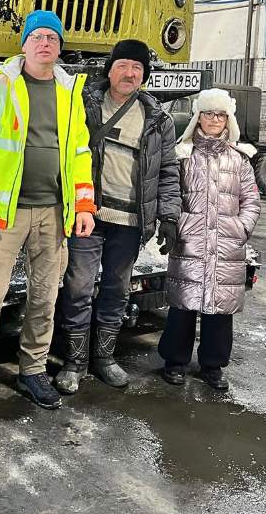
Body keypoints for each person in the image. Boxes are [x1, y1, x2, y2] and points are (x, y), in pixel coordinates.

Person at [0, 10, 97, 439]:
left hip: (54, 214)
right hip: (2, 217)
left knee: (45, 300)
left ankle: (32, 371)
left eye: (52, 37)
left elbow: (80, 154)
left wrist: (83, 205)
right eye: (37, 37)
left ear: (60, 46)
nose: (45, 43)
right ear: (25, 44)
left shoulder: (70, 92)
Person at [54, 40, 181, 394]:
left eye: (137, 68)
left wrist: (168, 216)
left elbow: (168, 171)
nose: (129, 73)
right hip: (88, 215)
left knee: (116, 289)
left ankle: (104, 359)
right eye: (123, 65)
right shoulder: (84, 105)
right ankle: (74, 363)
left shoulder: (158, 120)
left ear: (144, 76)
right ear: (109, 70)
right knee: (78, 287)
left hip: (130, 222)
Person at [158, 88, 261, 390]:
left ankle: (213, 365)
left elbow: (251, 201)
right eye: (208, 113)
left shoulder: (240, 160)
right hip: (190, 242)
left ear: (227, 119)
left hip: (228, 244)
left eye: (219, 114)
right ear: (198, 117)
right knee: (183, 305)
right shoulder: (182, 156)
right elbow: (171, 194)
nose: (214, 119)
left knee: (221, 309)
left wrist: (241, 229)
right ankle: (174, 361)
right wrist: (179, 225)